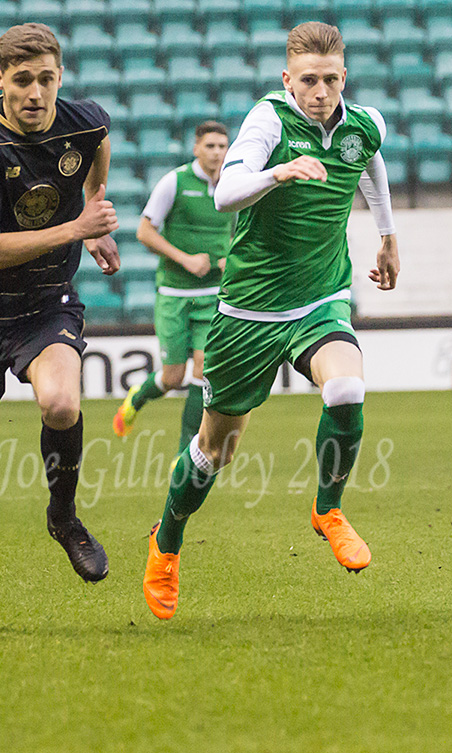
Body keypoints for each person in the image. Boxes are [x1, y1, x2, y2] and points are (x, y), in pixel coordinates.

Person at [143, 21, 401, 620]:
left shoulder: (364, 123)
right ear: (288, 80)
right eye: (308, 81)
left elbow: (372, 163)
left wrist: (387, 235)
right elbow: (225, 194)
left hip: (321, 296)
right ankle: (167, 542)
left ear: (344, 78)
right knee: (215, 451)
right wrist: (279, 172)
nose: (320, 92)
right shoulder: (268, 122)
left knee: (345, 387)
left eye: (331, 80)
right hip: (249, 310)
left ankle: (328, 508)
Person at [0, 23, 121, 632]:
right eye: (22, 81)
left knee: (62, 402)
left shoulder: (84, 121)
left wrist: (100, 213)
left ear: (59, 77)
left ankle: (62, 517)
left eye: (46, 79)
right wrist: (76, 229)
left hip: (46, 302)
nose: (35, 93)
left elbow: (99, 147)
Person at [112, 121, 233, 458]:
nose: (217, 153)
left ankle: (185, 456)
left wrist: (228, 260)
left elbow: (240, 236)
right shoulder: (174, 182)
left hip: (213, 298)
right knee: (173, 377)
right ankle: (137, 398)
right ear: (196, 148)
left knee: (203, 370)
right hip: (174, 295)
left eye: (222, 146)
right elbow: (145, 232)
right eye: (210, 146)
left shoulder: (233, 187)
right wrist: (186, 260)